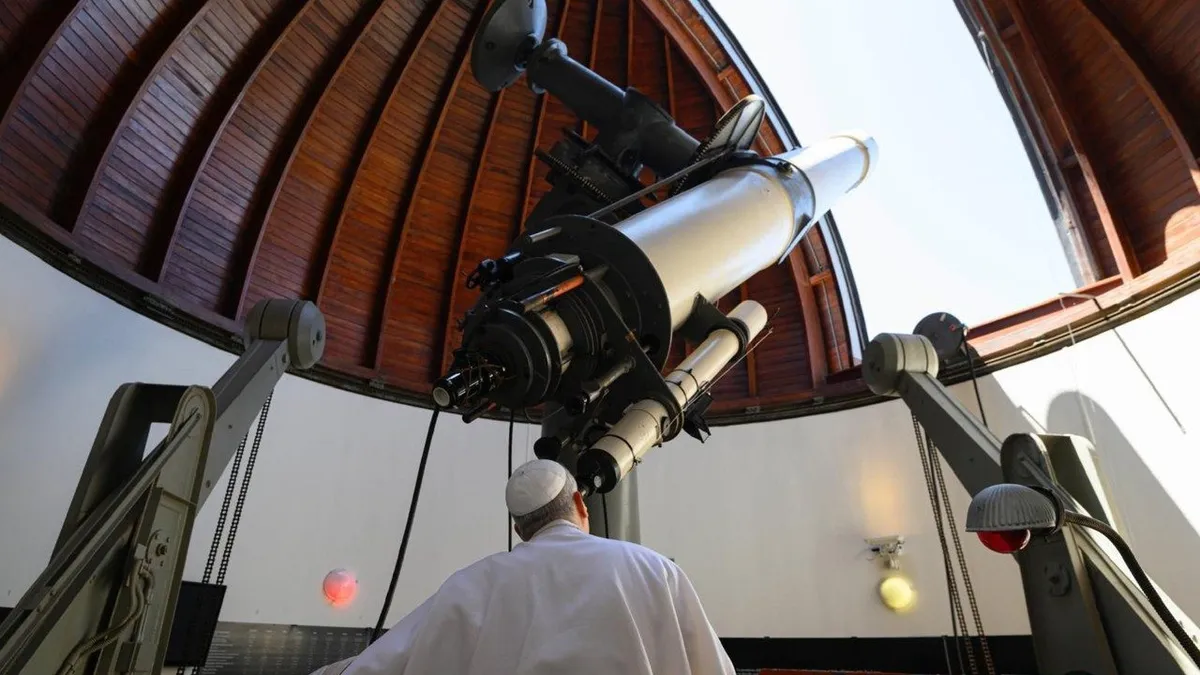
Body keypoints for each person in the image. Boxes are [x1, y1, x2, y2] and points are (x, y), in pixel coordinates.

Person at [335, 459, 735, 674]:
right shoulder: (656, 571)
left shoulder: (470, 585)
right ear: (579, 504)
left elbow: (381, 664)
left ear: (519, 529)